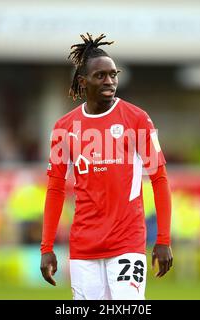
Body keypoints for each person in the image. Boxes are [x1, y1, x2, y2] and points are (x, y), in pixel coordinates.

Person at [40, 33, 173, 300]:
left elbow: (159, 180)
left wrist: (163, 240)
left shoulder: (137, 119)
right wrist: (47, 247)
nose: (110, 81)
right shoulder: (63, 128)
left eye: (113, 75)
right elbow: (55, 189)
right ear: (82, 81)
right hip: (83, 247)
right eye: (100, 76)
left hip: (127, 242)